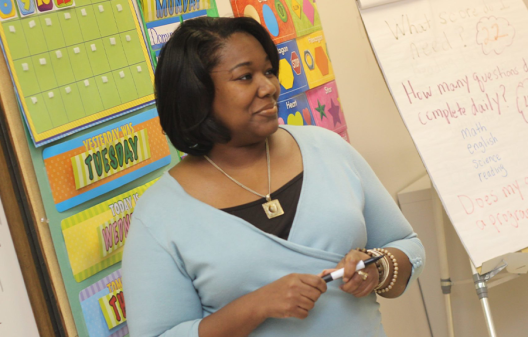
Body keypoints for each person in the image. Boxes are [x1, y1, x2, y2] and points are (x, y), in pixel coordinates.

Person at [122, 17, 425, 337]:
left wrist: (378, 267)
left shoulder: (328, 149)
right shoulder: (159, 215)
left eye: (268, 71)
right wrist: (255, 307)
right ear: (196, 93)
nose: (269, 87)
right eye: (245, 77)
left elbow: (406, 245)